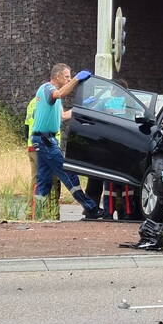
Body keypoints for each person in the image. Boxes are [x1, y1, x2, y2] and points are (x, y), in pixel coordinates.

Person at [32, 63, 104, 220]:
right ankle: (91, 208)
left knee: (44, 179)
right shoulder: (48, 89)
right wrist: (77, 79)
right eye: (67, 76)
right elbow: (60, 93)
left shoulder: (53, 95)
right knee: (68, 173)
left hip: (44, 139)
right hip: (45, 140)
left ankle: (37, 214)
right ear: (57, 76)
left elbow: (63, 116)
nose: (69, 79)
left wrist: (83, 107)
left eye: (71, 77)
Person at [24, 94, 61, 220]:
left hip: (32, 145)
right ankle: (51, 214)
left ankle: (32, 212)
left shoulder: (32, 102)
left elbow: (26, 126)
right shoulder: (50, 103)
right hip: (46, 145)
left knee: (36, 179)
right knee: (52, 179)